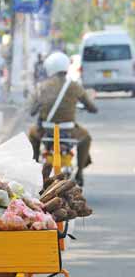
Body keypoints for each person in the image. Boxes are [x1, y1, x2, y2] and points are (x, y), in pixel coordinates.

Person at [28, 52, 98, 186]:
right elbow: (91, 107)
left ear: (49, 68)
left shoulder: (42, 87)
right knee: (86, 138)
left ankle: (35, 166)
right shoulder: (74, 86)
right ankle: (80, 173)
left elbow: (31, 110)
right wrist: (91, 108)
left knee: (32, 134)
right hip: (69, 130)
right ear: (66, 67)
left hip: (45, 130)